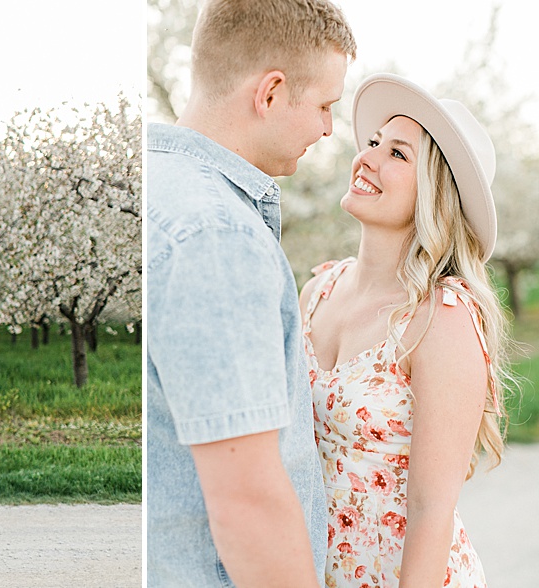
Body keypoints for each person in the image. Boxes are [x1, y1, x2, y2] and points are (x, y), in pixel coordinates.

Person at [144, 0, 356, 585]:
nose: (328, 129)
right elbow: (248, 502)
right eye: (323, 105)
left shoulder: (155, 188)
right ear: (270, 93)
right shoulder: (215, 235)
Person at [300, 73, 509, 586]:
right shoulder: (319, 291)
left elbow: (431, 508)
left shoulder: (442, 317)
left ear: (435, 193)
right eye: (373, 143)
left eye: (397, 154)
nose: (367, 158)